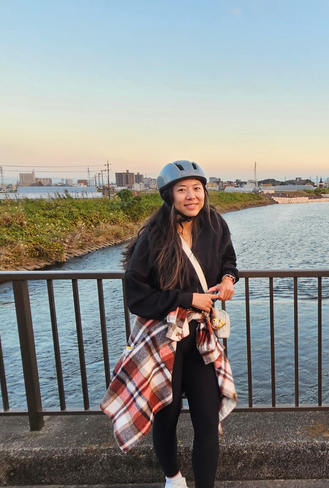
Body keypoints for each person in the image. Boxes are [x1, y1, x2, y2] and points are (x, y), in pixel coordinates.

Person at [120, 160, 238, 488]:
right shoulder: (154, 237)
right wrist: (188, 299)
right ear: (169, 195)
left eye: (197, 189)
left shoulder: (214, 224)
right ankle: (173, 479)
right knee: (166, 415)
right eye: (182, 189)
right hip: (164, 338)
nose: (191, 196)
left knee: (206, 418)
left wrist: (229, 277)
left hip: (200, 336)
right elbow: (136, 296)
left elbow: (228, 257)